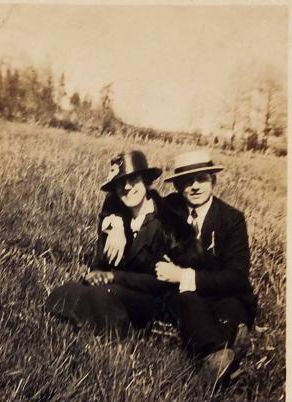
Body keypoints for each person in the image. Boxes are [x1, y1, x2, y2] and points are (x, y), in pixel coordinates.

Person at [102, 150, 256, 381]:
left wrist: (184, 276)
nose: (194, 187)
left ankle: (222, 354)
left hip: (224, 292)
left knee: (230, 309)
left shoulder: (231, 219)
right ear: (177, 186)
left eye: (201, 179)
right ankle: (227, 359)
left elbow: (237, 277)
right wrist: (114, 223)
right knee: (186, 302)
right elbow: (128, 194)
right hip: (185, 296)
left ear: (213, 180)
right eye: (186, 181)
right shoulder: (170, 207)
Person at [46, 150, 194, 338]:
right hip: (113, 288)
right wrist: (97, 274)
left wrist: (113, 276)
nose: (126, 187)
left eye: (133, 180)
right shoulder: (115, 218)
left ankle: (117, 335)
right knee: (63, 292)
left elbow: (162, 282)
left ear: (146, 182)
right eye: (120, 183)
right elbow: (101, 262)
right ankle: (92, 321)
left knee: (103, 296)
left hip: (149, 297)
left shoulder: (165, 222)